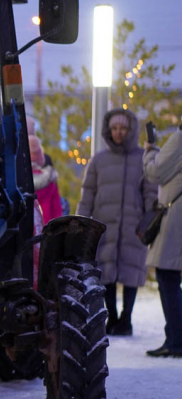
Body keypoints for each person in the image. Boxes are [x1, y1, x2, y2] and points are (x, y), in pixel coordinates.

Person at [77, 109, 157, 336]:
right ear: (108, 130)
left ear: (130, 130)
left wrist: (148, 220)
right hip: (105, 225)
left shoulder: (142, 159)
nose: (118, 132)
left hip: (134, 226)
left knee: (132, 272)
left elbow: (150, 193)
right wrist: (81, 224)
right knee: (107, 273)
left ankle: (126, 319)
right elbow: (88, 195)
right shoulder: (98, 161)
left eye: (123, 128)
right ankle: (111, 316)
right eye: (114, 128)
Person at [143, 124, 182, 357]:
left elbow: (155, 172)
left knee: (167, 276)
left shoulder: (179, 139)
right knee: (170, 277)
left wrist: (150, 150)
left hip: (176, 217)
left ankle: (176, 341)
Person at [29, 135, 63, 224]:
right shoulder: (50, 182)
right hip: (47, 230)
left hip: (27, 231)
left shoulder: (20, 183)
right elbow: (57, 213)